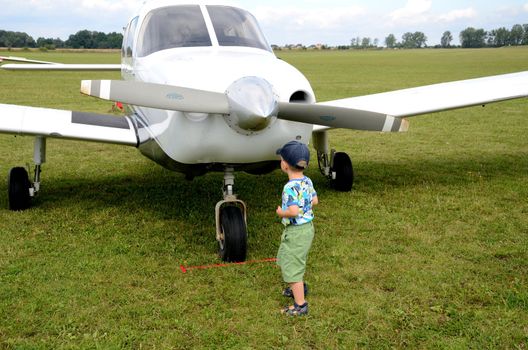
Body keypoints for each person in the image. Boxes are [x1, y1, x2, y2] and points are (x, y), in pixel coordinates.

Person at [275, 141, 319, 316]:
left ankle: (300, 304)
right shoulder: (307, 180)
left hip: (296, 231)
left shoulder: (289, 188)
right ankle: (298, 288)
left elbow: (292, 211)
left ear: (285, 165)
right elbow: (315, 201)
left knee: (293, 267)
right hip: (308, 228)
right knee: (295, 259)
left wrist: (281, 212)